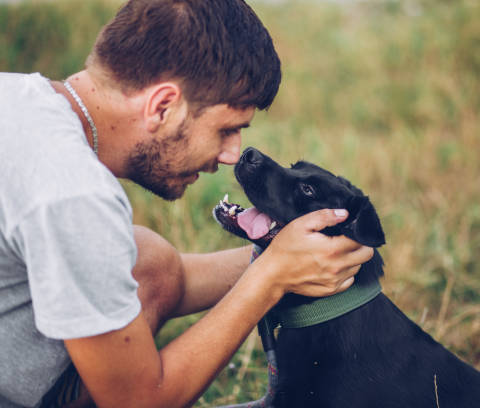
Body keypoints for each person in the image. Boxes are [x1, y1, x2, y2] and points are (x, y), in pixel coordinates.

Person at [0, 0, 374, 407]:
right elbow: (138, 403)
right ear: (163, 105)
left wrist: (294, 255)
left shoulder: (19, 99)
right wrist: (269, 279)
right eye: (227, 130)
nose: (233, 153)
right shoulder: (73, 195)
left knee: (149, 263)